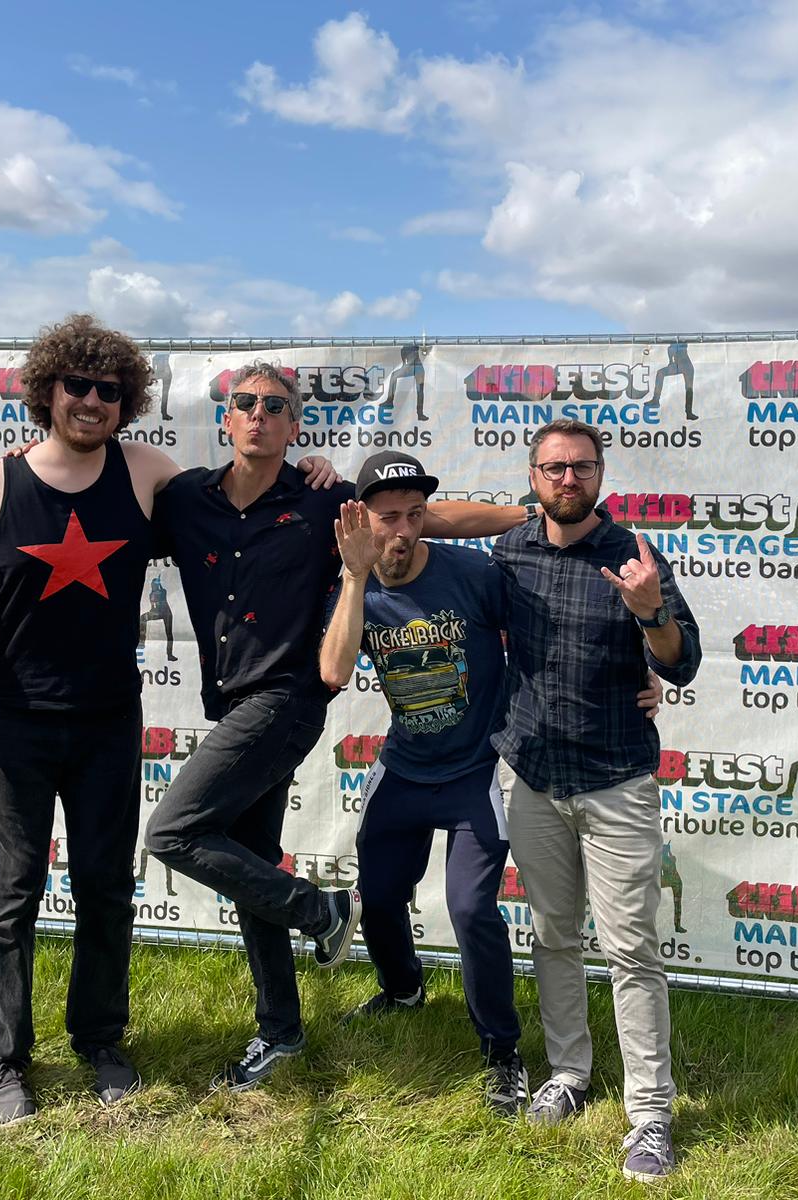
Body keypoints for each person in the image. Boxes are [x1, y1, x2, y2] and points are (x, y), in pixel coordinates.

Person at [144, 364, 523, 1091]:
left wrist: (529, 515)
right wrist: (33, 468)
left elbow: (431, 518)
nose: (259, 415)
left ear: (295, 427)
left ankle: (320, 910)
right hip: (228, 702)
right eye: (245, 404)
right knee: (247, 862)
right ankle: (280, 1031)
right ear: (227, 418)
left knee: (172, 833)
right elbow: (121, 498)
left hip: (283, 701)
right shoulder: (188, 498)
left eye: (276, 407)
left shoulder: (326, 502)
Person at [0, 315, 171, 1125]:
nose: (93, 402)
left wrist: (308, 472)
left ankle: (100, 1039)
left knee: (107, 890)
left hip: (110, 721)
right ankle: (2, 1058)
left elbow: (238, 509)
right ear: (47, 391)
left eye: (110, 391)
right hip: (15, 723)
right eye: (78, 386)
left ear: (126, 400)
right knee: (12, 892)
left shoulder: (145, 472)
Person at [493, 418, 701, 1181]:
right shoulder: (509, 549)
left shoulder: (637, 556)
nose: (567, 480)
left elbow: (681, 666)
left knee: (630, 950)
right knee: (552, 936)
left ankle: (650, 1115)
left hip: (615, 779)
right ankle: (569, 1076)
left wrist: (652, 614)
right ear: (534, 474)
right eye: (554, 468)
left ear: (602, 474)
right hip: (533, 775)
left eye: (581, 468)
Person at [317, 452, 528, 1114]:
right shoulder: (355, 589)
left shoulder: (471, 573)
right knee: (378, 896)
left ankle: (502, 1051)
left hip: (472, 773)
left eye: (415, 517)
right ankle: (403, 989)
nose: (403, 532)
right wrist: (355, 579)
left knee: (471, 910)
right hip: (405, 767)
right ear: (360, 522)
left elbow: (541, 629)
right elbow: (333, 670)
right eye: (387, 519)